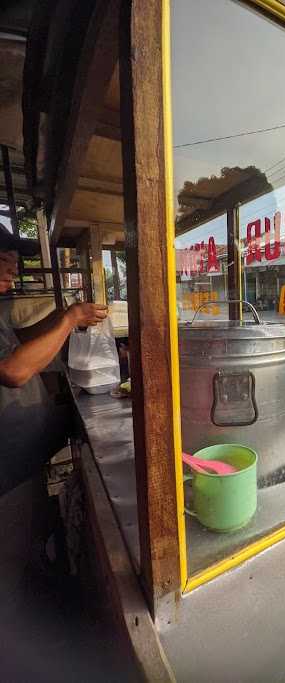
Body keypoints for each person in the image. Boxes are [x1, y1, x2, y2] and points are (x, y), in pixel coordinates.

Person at [0, 228, 107, 611]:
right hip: (6, 473)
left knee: (31, 538)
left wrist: (68, 325)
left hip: (23, 458)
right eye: (2, 258)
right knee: (10, 562)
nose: (13, 266)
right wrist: (68, 319)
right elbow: (14, 371)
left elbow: (23, 343)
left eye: (14, 257)